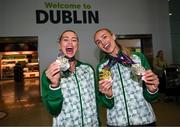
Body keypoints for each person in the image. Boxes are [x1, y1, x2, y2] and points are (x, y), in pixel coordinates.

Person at [93, 28, 159, 126]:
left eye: (105, 37)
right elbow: (106, 104)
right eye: (98, 42)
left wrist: (152, 90)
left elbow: (151, 97)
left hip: (144, 120)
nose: (103, 42)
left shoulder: (137, 58)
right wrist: (109, 95)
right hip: (116, 122)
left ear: (113, 36)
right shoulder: (102, 67)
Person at [41, 30, 99, 127]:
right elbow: (53, 110)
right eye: (65, 39)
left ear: (77, 45)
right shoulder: (50, 74)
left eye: (74, 40)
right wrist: (55, 85)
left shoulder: (88, 69)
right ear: (60, 45)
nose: (70, 42)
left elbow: (95, 102)